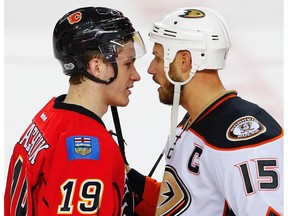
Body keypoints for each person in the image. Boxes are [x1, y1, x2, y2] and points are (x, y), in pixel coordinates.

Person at [126, 7, 284, 215]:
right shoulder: (195, 120)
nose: (151, 69)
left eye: (158, 58)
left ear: (184, 61)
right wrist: (126, 176)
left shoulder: (242, 136)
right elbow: (182, 202)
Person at [4, 6, 146, 215]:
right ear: (97, 67)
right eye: (128, 64)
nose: (136, 75)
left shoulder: (49, 117)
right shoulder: (87, 156)